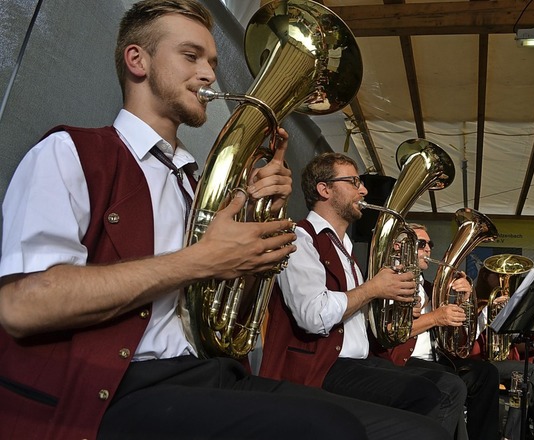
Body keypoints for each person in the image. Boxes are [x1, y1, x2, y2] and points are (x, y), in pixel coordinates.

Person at [0, 2, 451, 439]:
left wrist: (261, 230)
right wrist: (202, 259)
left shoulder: (196, 185)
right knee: (335, 428)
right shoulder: (70, 153)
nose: (210, 74)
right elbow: (22, 307)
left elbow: (227, 312)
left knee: (420, 429)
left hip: (207, 372)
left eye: (212, 61)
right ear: (137, 60)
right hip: (118, 387)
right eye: (191, 56)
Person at [260, 152, 465, 439]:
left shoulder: (344, 247)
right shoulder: (301, 238)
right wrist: (373, 289)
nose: (364, 190)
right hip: (323, 368)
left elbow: (356, 312)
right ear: (325, 189)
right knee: (426, 397)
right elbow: (314, 316)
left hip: (356, 362)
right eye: (354, 181)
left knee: (448, 386)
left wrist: (398, 312)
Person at [385, 223, 501, 440]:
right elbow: (390, 332)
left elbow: (461, 342)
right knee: (450, 381)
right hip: (403, 361)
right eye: (421, 244)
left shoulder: (431, 288)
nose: (428, 249)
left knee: (486, 373)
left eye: (430, 244)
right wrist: (436, 317)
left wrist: (466, 301)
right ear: (399, 248)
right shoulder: (390, 281)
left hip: (437, 358)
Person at [474, 266, 534, 440]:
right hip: (483, 362)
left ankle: (512, 435)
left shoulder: (508, 304)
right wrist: (489, 309)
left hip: (506, 360)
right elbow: (471, 335)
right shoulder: (477, 302)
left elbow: (514, 340)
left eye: (507, 276)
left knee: (522, 381)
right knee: (530, 372)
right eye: (500, 275)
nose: (504, 280)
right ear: (486, 276)